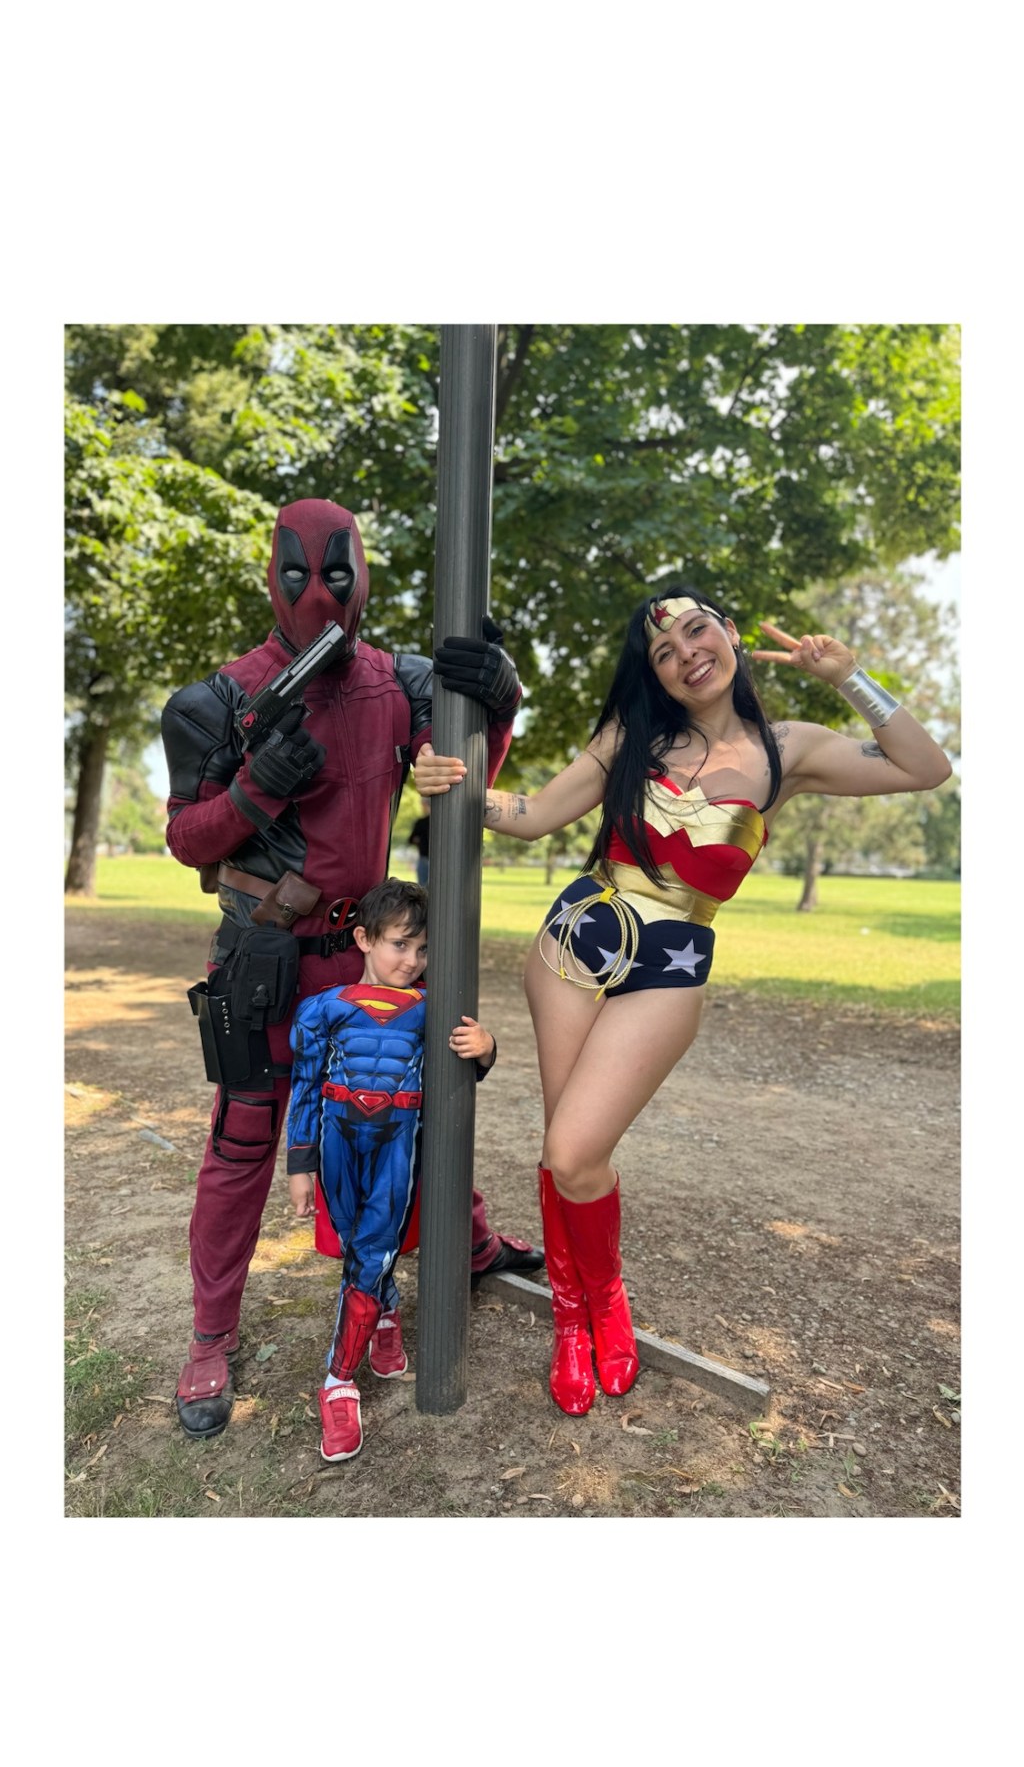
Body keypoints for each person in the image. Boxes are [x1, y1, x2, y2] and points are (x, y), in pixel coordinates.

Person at [415, 580, 953, 1417]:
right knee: (563, 1149)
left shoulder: (788, 749)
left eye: (697, 632)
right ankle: (571, 1321)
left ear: (729, 633)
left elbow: (927, 767)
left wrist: (848, 678)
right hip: (573, 943)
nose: (685, 654)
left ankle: (607, 1299)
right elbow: (533, 813)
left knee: (576, 1151)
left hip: (671, 964)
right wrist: (447, 784)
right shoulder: (633, 735)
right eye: (663, 651)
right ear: (655, 673)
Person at [161, 497, 542, 1439]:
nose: (319, 593)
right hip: (264, 960)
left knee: (415, 1106)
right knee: (243, 1143)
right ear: (272, 575)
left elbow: (463, 780)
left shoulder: (401, 683)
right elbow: (187, 838)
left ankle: (469, 1241)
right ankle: (211, 1337)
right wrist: (256, 789)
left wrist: (498, 701)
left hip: (374, 957)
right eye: (299, 574)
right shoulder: (215, 702)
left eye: (338, 573)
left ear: (363, 575)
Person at [287, 877, 499, 1461]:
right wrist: (300, 1165)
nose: (412, 961)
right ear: (364, 939)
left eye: (423, 949)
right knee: (357, 1249)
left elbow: (468, 1065)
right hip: (337, 1142)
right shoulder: (321, 1010)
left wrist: (485, 1047)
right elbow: (304, 1088)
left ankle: (338, 1382)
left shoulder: (435, 1009)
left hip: (398, 1144)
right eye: (400, 944)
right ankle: (384, 1317)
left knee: (372, 1254)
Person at [409, 799, 431, 886]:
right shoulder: (443, 822)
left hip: (424, 858)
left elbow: (411, 839)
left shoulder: (421, 822)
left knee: (422, 887)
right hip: (431, 858)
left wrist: (419, 840)